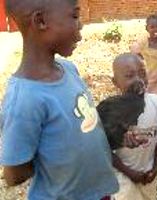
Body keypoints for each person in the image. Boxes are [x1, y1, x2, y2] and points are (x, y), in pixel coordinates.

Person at [0, 0, 119, 199]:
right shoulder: (25, 98)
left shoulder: (68, 69)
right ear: (40, 21)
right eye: (74, 16)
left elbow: (82, 127)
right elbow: (14, 173)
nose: (80, 24)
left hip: (97, 193)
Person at [111, 53, 157, 200]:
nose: (138, 80)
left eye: (142, 73)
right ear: (115, 82)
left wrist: (156, 168)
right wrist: (129, 172)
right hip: (122, 176)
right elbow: (105, 150)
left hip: (148, 172)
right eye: (129, 76)